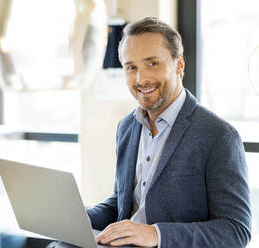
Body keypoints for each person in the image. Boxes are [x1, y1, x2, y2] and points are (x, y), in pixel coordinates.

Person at [87, 17, 251, 248]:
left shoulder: (219, 136)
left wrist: (156, 234)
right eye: (131, 67)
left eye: (152, 63)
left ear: (179, 64)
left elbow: (236, 231)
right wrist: (82, 217)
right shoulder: (126, 127)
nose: (141, 79)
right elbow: (122, 202)